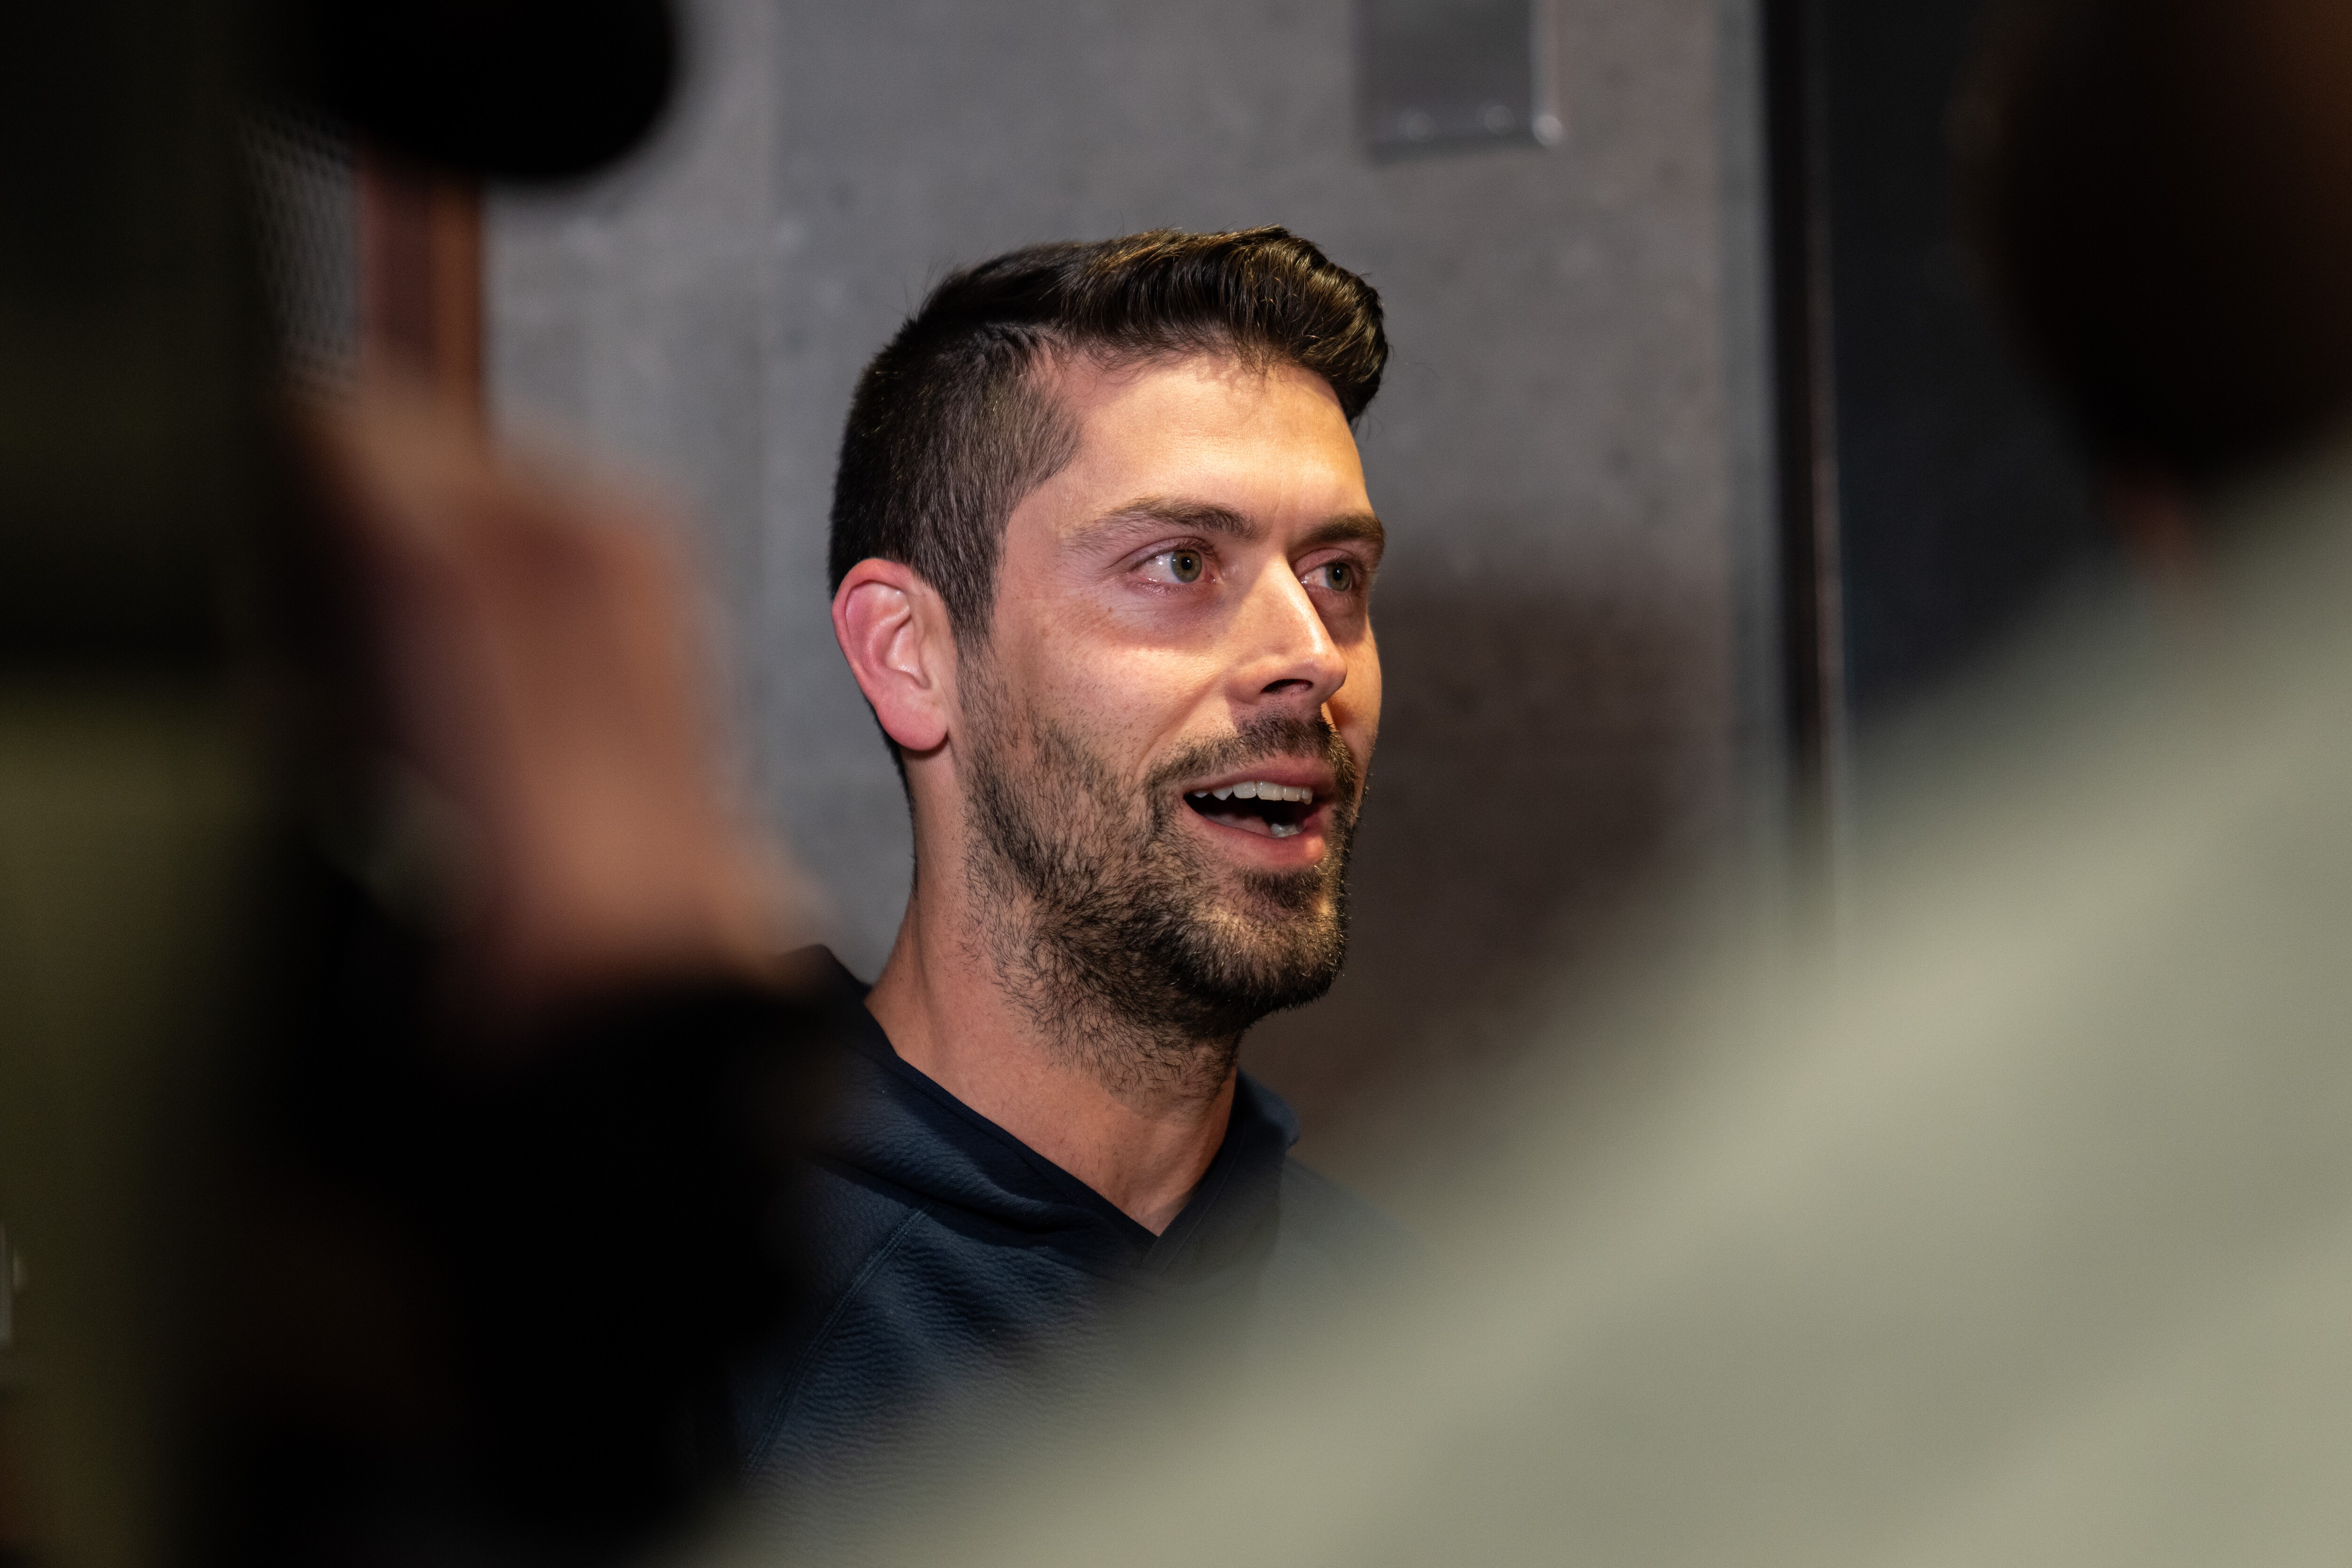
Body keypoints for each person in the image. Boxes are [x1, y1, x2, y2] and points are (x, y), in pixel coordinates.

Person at [734, 228, 1414, 1526]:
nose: (1311, 655)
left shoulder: (1422, 1351)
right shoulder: (638, 1307)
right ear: (910, 657)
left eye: (1336, 576)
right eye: (1178, 565)